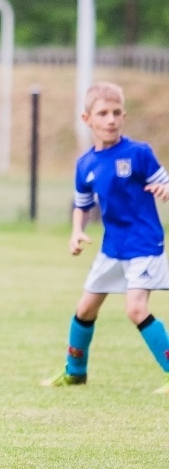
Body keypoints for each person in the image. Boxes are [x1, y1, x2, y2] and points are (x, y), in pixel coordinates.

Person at [42, 81, 169, 394]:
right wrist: (76, 232)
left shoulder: (139, 154)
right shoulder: (85, 164)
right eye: (102, 113)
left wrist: (165, 189)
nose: (110, 119)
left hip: (143, 244)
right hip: (113, 248)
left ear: (123, 116)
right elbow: (81, 203)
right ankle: (75, 373)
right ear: (87, 120)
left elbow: (164, 181)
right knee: (85, 309)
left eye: (116, 113)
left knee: (135, 309)